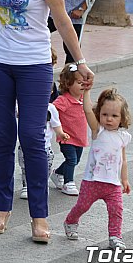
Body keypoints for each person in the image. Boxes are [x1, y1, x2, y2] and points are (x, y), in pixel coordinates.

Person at [0, 0, 94, 243]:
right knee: (2, 137)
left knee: (32, 136)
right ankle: (1, 208)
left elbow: (61, 20)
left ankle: (39, 215)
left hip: (33, 66)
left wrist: (80, 60)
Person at [64, 87, 131, 250]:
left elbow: (123, 160)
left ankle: (115, 236)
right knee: (82, 206)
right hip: (92, 182)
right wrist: (86, 92)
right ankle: (71, 221)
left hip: (113, 185)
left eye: (114, 116)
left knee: (116, 210)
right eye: (105, 114)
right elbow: (87, 111)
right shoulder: (97, 131)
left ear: (122, 118)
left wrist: (124, 179)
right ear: (99, 114)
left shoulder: (123, 137)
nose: (109, 119)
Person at [18, 48, 67, 199]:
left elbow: (56, 124)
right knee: (26, 166)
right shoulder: (25, 104)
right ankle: (27, 186)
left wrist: (61, 133)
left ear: (51, 92)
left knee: (45, 167)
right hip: (26, 143)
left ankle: (41, 185)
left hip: (45, 146)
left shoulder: (51, 108)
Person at [49, 63, 88, 196]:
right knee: (71, 159)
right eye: (78, 82)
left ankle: (58, 173)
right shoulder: (63, 100)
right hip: (66, 137)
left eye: (84, 82)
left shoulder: (83, 99)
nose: (82, 84)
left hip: (80, 136)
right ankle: (68, 182)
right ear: (68, 83)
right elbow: (52, 109)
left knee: (75, 160)